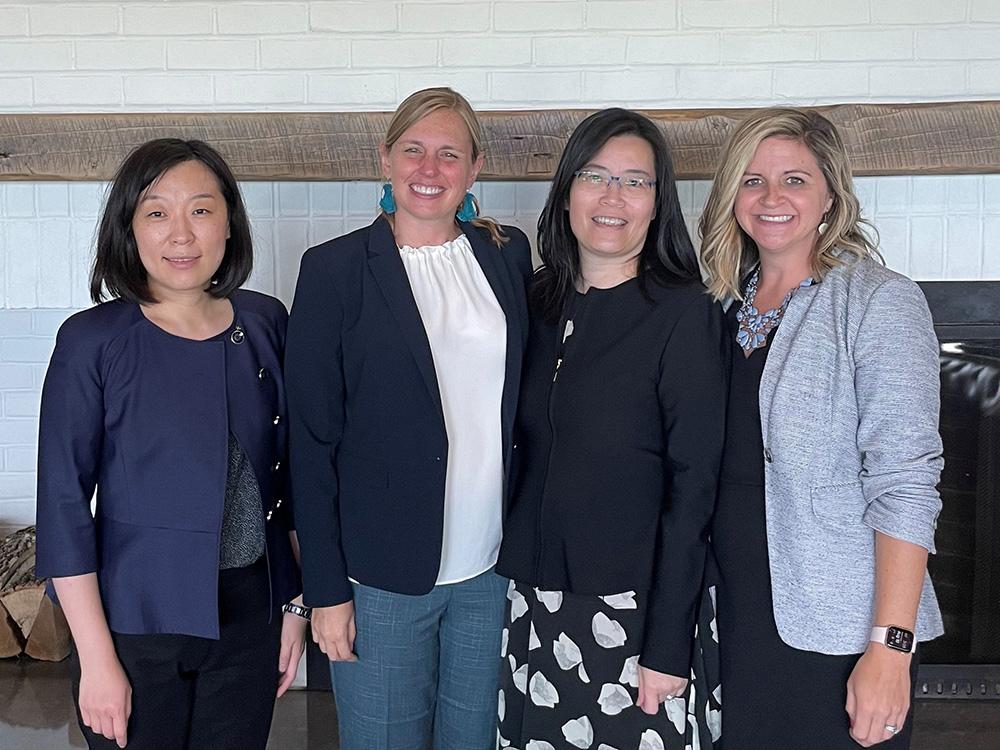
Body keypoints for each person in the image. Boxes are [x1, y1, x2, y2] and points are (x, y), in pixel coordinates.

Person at [34, 138, 306, 750]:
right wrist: (97, 659)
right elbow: (63, 505)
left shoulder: (265, 322)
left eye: (201, 210)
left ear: (230, 225)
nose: (181, 234)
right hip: (133, 624)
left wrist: (294, 607)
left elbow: (290, 480)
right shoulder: (90, 341)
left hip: (249, 617)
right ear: (128, 229)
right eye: (156, 212)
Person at [285, 87, 532, 750]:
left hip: (490, 569)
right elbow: (309, 443)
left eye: (449, 154)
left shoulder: (506, 255)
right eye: (413, 150)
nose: (430, 168)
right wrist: (326, 591)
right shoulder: (334, 270)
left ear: (475, 168)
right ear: (386, 159)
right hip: (381, 581)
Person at [698, 108, 944, 748]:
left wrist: (890, 649)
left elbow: (907, 484)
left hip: (838, 624)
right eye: (752, 180)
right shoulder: (718, 303)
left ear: (831, 195)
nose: (772, 198)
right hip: (726, 614)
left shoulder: (877, 300)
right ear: (731, 195)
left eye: (795, 180)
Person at [495, 108, 727, 750]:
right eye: (595, 175)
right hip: (531, 604)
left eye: (635, 181)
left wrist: (667, 644)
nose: (612, 196)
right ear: (567, 190)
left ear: (658, 204)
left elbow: (694, 492)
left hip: (633, 613)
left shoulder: (685, 315)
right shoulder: (534, 305)